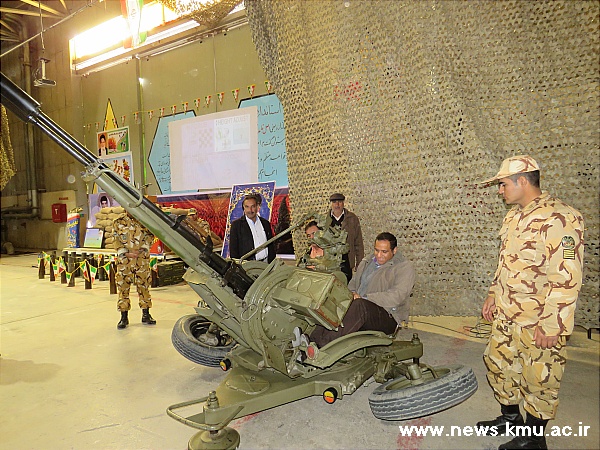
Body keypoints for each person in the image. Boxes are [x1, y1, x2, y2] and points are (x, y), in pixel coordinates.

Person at [477, 155, 584, 450]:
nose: (500, 190)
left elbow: (567, 277)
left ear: (522, 181)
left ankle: (533, 439)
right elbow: (505, 262)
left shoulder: (562, 218)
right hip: (507, 312)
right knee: (499, 364)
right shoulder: (514, 216)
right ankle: (511, 419)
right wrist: (493, 293)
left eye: (503, 184)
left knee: (540, 379)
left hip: (538, 319)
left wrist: (553, 325)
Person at [309, 232, 415, 347]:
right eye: (376, 250)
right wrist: (351, 294)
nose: (379, 255)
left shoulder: (404, 267)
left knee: (359, 306)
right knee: (334, 302)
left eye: (384, 252)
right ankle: (311, 340)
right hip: (360, 307)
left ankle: (323, 345)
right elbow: (353, 284)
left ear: (394, 251)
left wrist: (365, 298)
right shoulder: (367, 261)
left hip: (388, 316)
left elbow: (396, 296)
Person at [112, 212, 157, 329]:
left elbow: (150, 235)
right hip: (124, 261)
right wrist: (125, 252)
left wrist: (142, 250)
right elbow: (115, 239)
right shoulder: (118, 221)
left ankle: (146, 315)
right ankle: (124, 317)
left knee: (144, 287)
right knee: (123, 288)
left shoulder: (144, 219)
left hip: (141, 259)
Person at [229, 194, 275, 262]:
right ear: (243, 208)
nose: (250, 210)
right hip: (248, 265)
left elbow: (271, 245)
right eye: (247, 207)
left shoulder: (265, 223)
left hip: (267, 263)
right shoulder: (236, 225)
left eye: (253, 206)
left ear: (257, 207)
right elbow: (233, 250)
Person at [328, 193, 364, 278]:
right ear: (331, 204)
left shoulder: (352, 219)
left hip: (347, 261)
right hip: (330, 262)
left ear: (343, 203)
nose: (337, 205)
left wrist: (359, 263)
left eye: (340, 202)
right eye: (334, 202)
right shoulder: (325, 220)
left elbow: (358, 242)